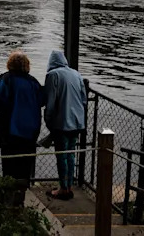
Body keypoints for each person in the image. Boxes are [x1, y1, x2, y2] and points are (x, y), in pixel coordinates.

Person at [44, 50, 87, 200]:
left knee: (61, 155)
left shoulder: (52, 75)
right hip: (77, 122)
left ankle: (63, 188)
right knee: (71, 154)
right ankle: (69, 185)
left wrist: (48, 121)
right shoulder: (76, 74)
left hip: (61, 123)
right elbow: (83, 99)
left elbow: (50, 102)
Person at [0, 52, 44, 182]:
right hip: (31, 129)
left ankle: (9, 192)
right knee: (25, 164)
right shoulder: (33, 82)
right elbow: (42, 100)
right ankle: (22, 192)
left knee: (9, 163)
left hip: (12, 128)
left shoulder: (7, 80)